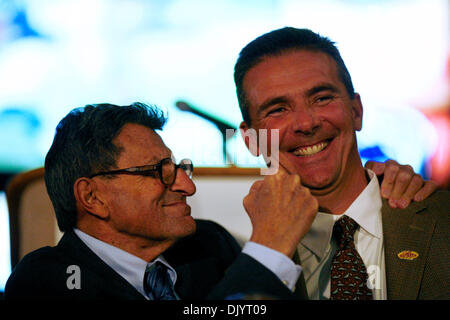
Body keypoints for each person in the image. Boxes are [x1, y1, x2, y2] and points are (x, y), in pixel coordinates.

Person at [5, 102, 432, 300]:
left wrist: (371, 188)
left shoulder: (206, 246)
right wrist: (267, 249)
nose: (187, 187)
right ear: (92, 196)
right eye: (160, 173)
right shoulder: (45, 283)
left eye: (180, 168)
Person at [235, 27, 449, 300]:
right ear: (250, 139)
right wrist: (268, 251)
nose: (306, 123)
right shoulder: (234, 262)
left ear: (356, 111)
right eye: (278, 109)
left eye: (322, 98)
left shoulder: (443, 222)